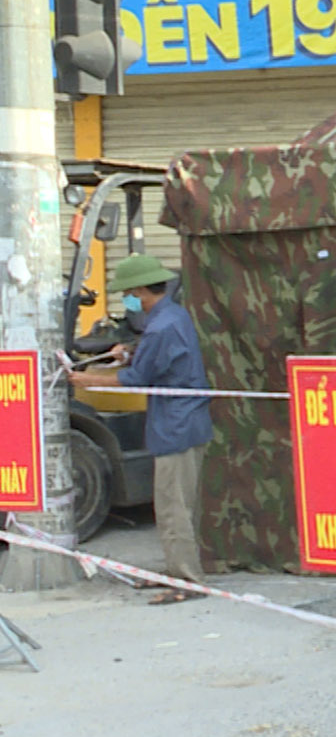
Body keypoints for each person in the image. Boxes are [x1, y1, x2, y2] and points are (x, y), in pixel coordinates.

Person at [71, 255, 213, 605]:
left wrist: (84, 378)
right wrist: (129, 352)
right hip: (186, 421)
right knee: (179, 504)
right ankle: (177, 569)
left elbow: (138, 379)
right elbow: (154, 359)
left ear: (140, 292)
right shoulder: (171, 317)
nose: (128, 299)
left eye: (129, 293)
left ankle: (187, 580)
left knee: (172, 507)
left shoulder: (162, 326)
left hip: (175, 426)